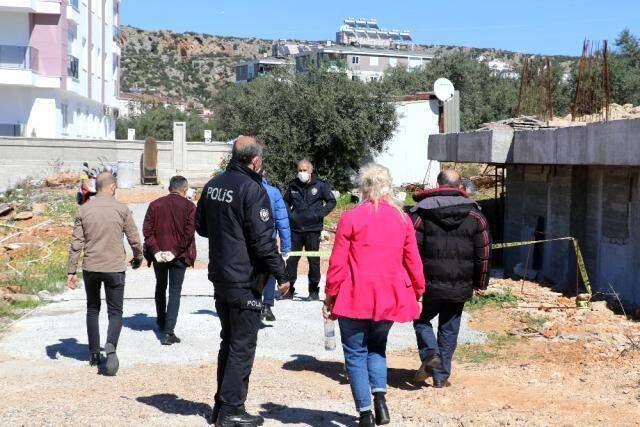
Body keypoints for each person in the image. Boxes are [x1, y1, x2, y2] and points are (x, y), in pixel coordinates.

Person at [196, 136, 290, 427]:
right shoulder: (253, 189)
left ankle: (221, 406)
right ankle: (231, 410)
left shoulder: (213, 185)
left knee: (229, 341)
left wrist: (227, 233)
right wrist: (282, 273)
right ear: (255, 160)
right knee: (242, 345)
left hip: (221, 276)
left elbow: (201, 226)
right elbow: (263, 243)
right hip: (244, 278)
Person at [324, 164, 425, 427]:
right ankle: (380, 398)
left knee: (355, 354)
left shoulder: (350, 218)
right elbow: (413, 259)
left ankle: (365, 413)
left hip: (354, 295)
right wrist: (418, 289)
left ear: (363, 186)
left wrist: (330, 295)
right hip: (387, 296)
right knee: (377, 348)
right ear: (388, 185)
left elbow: (337, 263)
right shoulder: (402, 219)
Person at [410, 170, 492, 388]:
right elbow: (483, 251)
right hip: (460, 283)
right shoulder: (475, 215)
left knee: (421, 320)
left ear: (438, 183)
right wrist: (481, 282)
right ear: (461, 186)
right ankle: (441, 376)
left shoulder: (421, 213)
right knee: (449, 327)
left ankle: (430, 353)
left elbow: (411, 249)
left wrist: (410, 279)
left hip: (427, 283)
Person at [67, 172, 143, 376]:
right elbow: (133, 237)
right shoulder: (121, 209)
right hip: (114, 268)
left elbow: (76, 243)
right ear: (110, 187)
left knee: (92, 309)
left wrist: (71, 271)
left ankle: (93, 353)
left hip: (91, 267)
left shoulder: (83, 210)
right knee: (115, 312)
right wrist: (138, 257)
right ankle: (110, 345)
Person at [142, 175, 196, 346]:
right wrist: (174, 252)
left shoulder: (154, 205)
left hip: (159, 256)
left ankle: (160, 320)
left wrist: (156, 251)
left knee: (160, 286)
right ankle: (168, 332)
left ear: (169, 188)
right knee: (174, 292)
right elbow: (188, 234)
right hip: (179, 256)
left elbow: (147, 231)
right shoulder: (189, 207)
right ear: (185, 190)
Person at [283, 159, 336, 301]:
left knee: (313, 259)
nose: (302, 173)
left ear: (310, 171)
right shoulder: (292, 185)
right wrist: (291, 215)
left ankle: (313, 291)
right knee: (292, 259)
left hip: (313, 229)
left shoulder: (321, 185)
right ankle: (289, 290)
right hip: (296, 229)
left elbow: (331, 201)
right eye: (300, 170)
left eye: (304, 170)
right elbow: (285, 202)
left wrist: (319, 214)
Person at [260, 168, 291, 321]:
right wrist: (286, 247)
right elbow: (282, 222)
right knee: (271, 271)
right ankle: (266, 305)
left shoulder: (241, 188)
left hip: (245, 243)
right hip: (268, 241)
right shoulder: (273, 192)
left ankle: (254, 305)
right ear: (264, 172)